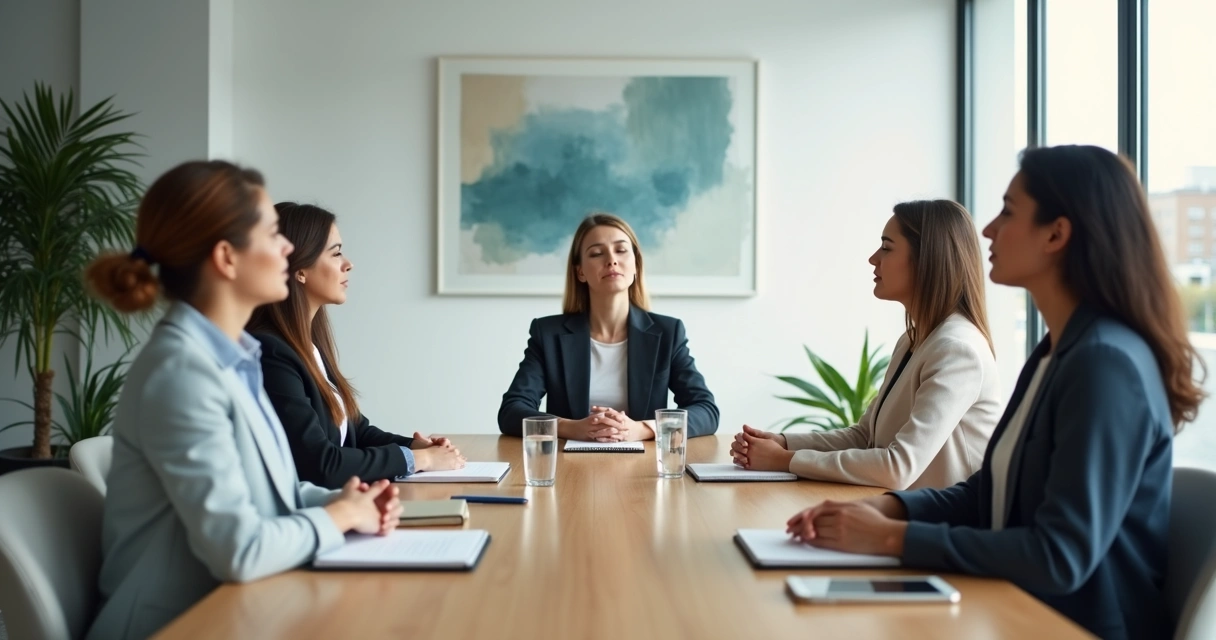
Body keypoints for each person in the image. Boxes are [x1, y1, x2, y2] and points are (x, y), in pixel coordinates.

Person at [784, 146, 1202, 640]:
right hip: (1015, 605)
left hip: (1069, 624)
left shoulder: (1104, 364)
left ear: (1056, 233)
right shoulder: (1057, 351)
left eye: (1008, 211)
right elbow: (992, 493)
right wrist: (888, 509)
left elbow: (1058, 556)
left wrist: (894, 538)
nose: (987, 231)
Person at [84, 161, 401, 640]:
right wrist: (339, 516)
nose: (288, 249)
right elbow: (239, 550)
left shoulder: (234, 358)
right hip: (180, 623)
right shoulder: (182, 372)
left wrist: (349, 499)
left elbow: (277, 495)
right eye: (274, 234)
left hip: (240, 608)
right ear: (227, 259)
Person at [731, 200, 1001, 490]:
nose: (873, 259)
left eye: (886, 247)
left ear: (926, 258)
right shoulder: (915, 340)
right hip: (907, 513)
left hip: (948, 525)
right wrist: (782, 443)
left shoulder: (957, 350)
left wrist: (784, 460)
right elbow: (864, 436)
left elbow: (898, 467)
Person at [247, 203, 465, 488]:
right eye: (336, 253)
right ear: (300, 270)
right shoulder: (271, 352)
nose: (348, 263)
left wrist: (416, 447)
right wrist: (419, 461)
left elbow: (356, 430)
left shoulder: (308, 345)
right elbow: (320, 463)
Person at [498, 213, 719, 440]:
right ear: (580, 272)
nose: (611, 260)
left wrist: (642, 429)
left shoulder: (668, 333)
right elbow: (511, 411)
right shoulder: (548, 334)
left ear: (636, 264)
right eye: (596, 253)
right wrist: (571, 428)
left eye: (621, 250)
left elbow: (706, 411)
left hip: (643, 466)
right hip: (569, 467)